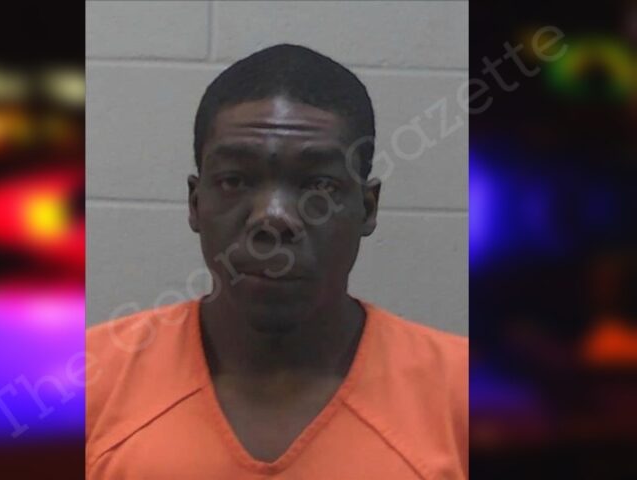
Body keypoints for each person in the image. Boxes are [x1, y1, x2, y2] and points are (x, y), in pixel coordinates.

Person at [87, 44, 467, 479]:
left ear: (367, 208)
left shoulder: (466, 392)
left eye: (319, 185)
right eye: (234, 180)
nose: (273, 217)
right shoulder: (85, 384)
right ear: (195, 203)